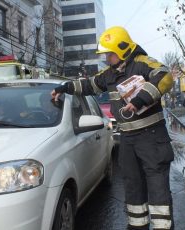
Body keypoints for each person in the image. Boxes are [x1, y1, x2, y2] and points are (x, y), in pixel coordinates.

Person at [52, 26, 174, 230]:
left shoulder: (143, 64)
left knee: (158, 187)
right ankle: (137, 226)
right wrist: (64, 88)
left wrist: (140, 99)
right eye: (106, 54)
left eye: (110, 53)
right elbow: (89, 84)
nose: (107, 57)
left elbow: (165, 77)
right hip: (127, 139)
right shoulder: (108, 74)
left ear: (123, 49)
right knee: (132, 185)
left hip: (151, 138)